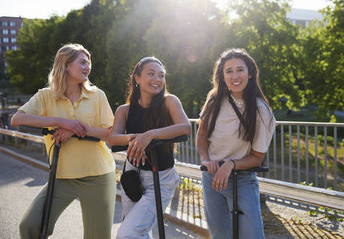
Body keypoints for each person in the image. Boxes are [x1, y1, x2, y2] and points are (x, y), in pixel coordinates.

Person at [11, 44, 116, 239]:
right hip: (61, 176)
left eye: (89, 63)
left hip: (98, 176)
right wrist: (62, 122)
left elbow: (110, 134)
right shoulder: (45, 96)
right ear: (66, 65)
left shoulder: (97, 95)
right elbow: (17, 119)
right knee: (30, 226)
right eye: (82, 62)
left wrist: (75, 131)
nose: (88, 67)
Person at [197, 48, 276, 239]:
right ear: (222, 76)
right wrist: (206, 159)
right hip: (212, 177)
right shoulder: (214, 99)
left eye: (240, 69)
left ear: (250, 73)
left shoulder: (261, 111)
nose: (235, 76)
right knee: (220, 236)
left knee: (252, 236)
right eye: (229, 71)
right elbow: (202, 135)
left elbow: (257, 158)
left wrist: (231, 164)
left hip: (242, 179)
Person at [108, 57, 191, 239]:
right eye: (151, 73)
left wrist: (151, 134)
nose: (157, 79)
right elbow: (113, 139)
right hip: (132, 175)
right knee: (138, 233)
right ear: (137, 78)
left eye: (161, 75)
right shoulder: (124, 110)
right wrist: (137, 138)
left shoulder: (170, 101)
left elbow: (185, 128)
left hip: (161, 178)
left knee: (127, 234)